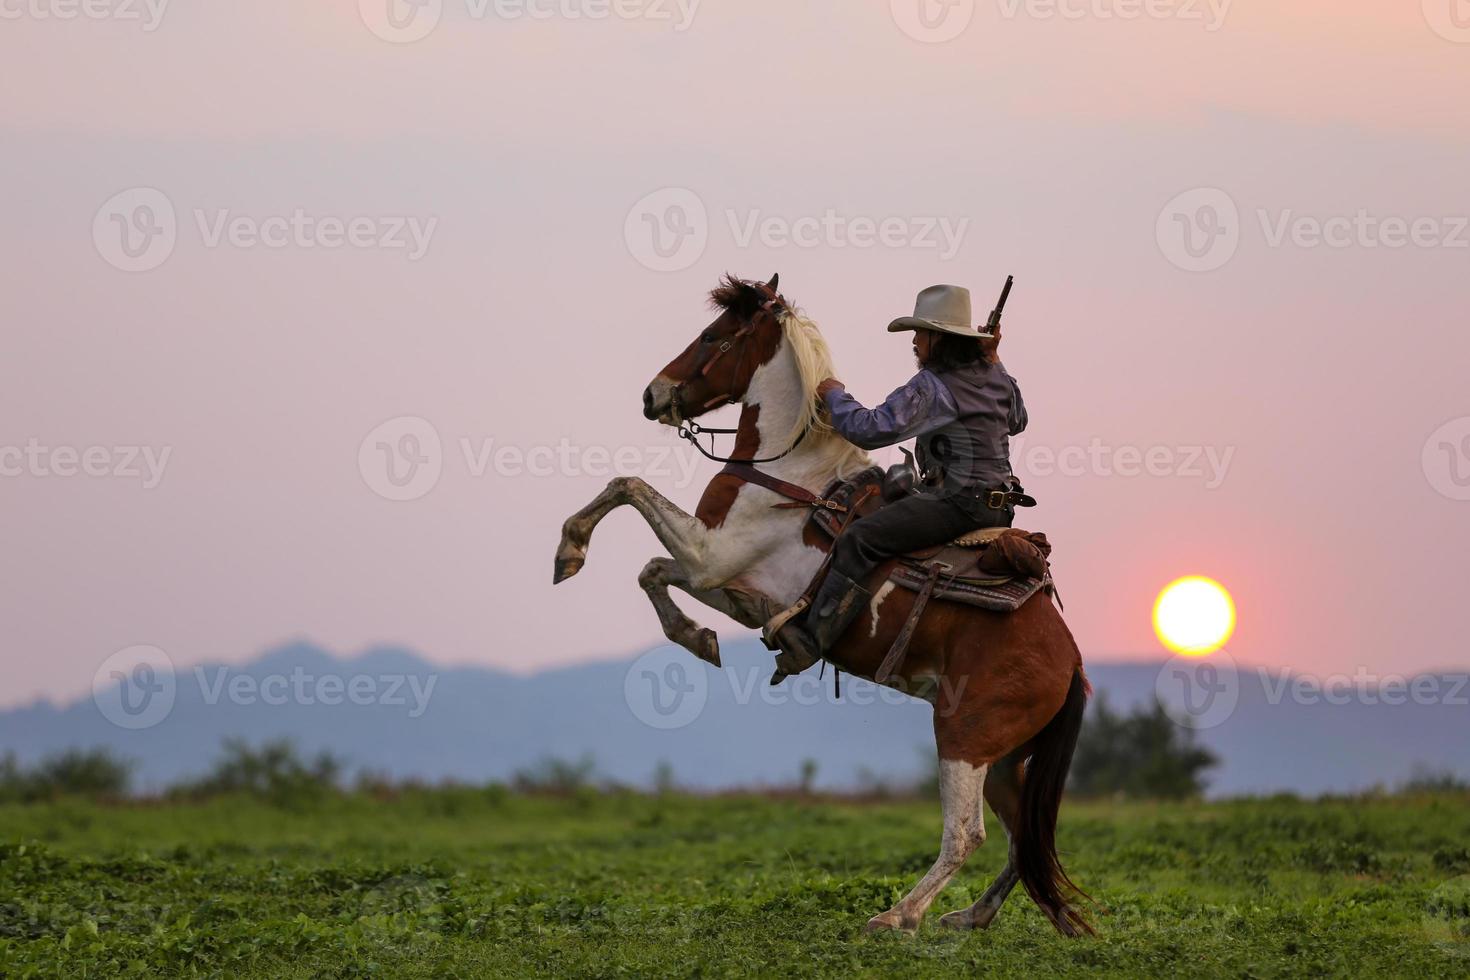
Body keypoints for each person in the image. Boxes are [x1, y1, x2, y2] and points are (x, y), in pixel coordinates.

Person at [771, 284, 1031, 681]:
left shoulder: (932, 386)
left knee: (860, 538)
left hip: (956, 503)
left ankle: (811, 640)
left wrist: (834, 395)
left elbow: (870, 429)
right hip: (999, 506)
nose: (914, 341)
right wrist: (995, 358)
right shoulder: (995, 374)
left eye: (920, 333)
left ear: (938, 338)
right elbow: (1018, 420)